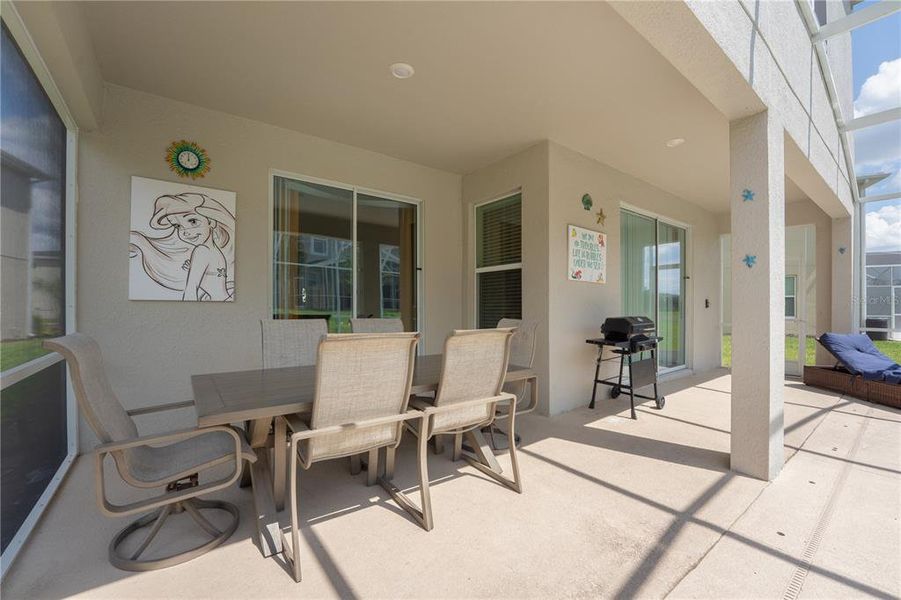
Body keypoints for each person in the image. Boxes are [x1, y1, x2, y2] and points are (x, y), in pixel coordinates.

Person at [129, 192, 235, 301]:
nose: (185, 232)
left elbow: (190, 292)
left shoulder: (201, 251)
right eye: (178, 226)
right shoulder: (215, 252)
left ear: (211, 222)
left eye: (193, 221)